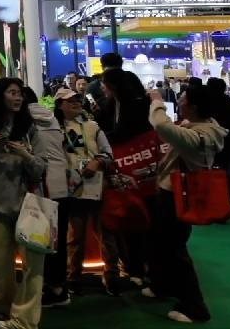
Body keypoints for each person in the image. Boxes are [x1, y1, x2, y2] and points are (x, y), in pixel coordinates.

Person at [146, 84, 227, 323]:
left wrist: (157, 101)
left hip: (176, 196)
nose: (179, 102)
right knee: (161, 244)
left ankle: (194, 306)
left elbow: (161, 125)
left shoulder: (194, 136)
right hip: (173, 194)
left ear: (193, 107)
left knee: (175, 249)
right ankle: (163, 286)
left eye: (182, 98)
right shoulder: (206, 127)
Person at [0, 77, 48, 329]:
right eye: (13, 93)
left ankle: (25, 320)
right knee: (0, 265)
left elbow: (40, 168)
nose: (18, 98)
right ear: (0, 96)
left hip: (30, 207)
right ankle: (6, 309)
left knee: (32, 268)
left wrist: (25, 154)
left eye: (20, 94)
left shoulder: (31, 128)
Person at [98, 69, 154, 292]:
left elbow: (126, 132)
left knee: (141, 219)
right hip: (124, 168)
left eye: (104, 84)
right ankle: (133, 268)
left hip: (140, 167)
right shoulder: (112, 104)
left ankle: (142, 268)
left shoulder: (137, 105)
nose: (102, 88)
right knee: (126, 219)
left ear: (113, 85)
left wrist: (101, 139)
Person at [55, 88, 112, 290]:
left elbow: (108, 153)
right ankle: (73, 277)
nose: (76, 103)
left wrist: (97, 162)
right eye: (70, 101)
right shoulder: (54, 129)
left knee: (105, 233)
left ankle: (112, 276)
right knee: (75, 236)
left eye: (77, 100)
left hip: (96, 186)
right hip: (70, 189)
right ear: (60, 105)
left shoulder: (93, 126)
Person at [25, 83, 72, 309]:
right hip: (61, 185)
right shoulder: (51, 118)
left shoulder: (26, 122)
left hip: (44, 187)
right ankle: (58, 287)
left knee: (42, 241)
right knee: (58, 240)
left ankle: (52, 289)